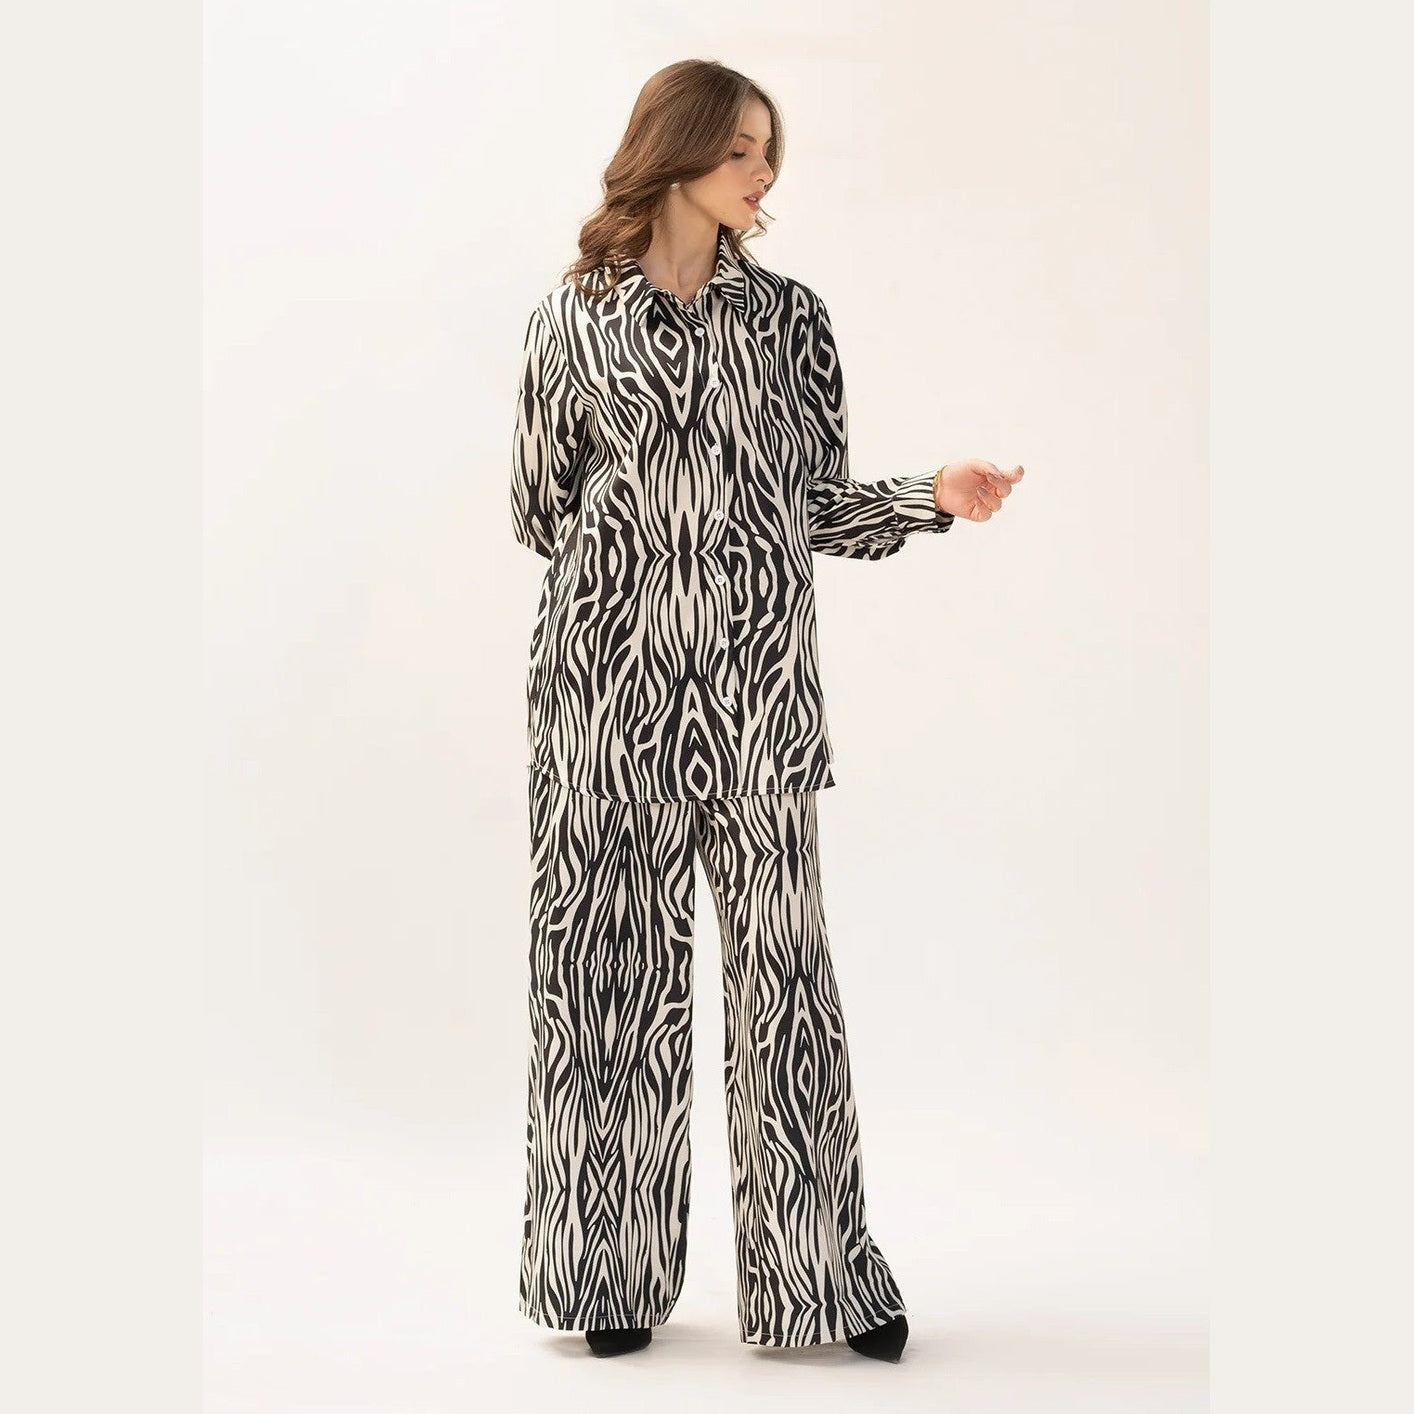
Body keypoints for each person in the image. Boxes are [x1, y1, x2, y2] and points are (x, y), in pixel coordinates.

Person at [510, 59, 1024, 1363]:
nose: (762, 170)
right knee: (603, 988)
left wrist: (930, 494)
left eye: (766, 149)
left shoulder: (792, 320)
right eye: (739, 148)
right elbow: (538, 508)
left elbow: (817, 505)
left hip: (759, 705)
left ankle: (823, 1280)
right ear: (674, 151)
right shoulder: (569, 320)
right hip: (604, 706)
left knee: (786, 994)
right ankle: (603, 1274)